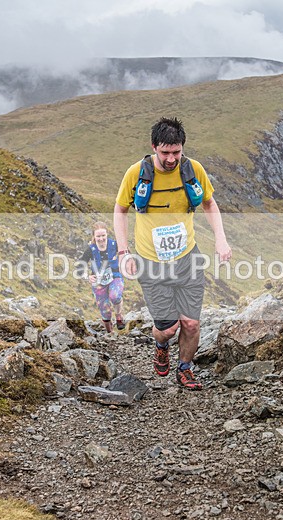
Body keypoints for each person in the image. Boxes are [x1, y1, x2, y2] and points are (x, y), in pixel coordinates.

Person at [113, 117, 231, 390]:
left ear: (182, 148)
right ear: (153, 146)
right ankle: (161, 344)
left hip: (187, 258)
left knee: (190, 323)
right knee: (168, 327)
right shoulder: (136, 174)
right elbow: (120, 210)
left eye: (176, 152)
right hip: (151, 262)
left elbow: (209, 204)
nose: (170, 158)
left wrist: (221, 240)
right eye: (165, 152)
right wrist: (122, 252)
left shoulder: (193, 170)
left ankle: (186, 369)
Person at [79, 221, 125, 333]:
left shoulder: (114, 245)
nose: (101, 238)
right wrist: (87, 277)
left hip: (115, 276)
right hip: (98, 282)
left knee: (115, 296)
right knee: (105, 311)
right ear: (94, 236)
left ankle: (119, 317)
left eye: (103, 235)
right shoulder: (91, 250)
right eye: (98, 236)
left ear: (107, 234)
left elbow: (126, 254)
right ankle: (110, 333)